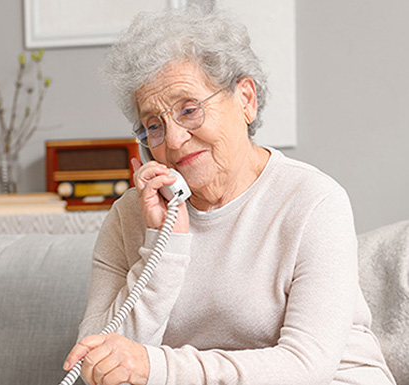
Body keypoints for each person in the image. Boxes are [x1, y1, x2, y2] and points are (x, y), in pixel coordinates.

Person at [62, 3, 396, 385]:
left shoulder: (314, 201)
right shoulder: (130, 216)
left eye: (189, 110)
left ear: (246, 100)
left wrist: (157, 368)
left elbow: (306, 366)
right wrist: (163, 245)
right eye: (153, 125)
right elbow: (99, 366)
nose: (173, 139)